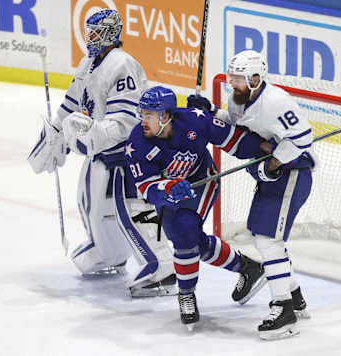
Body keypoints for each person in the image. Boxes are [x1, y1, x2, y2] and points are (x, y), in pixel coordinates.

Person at [27, 9, 176, 298]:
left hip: (125, 156)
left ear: (110, 34)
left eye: (95, 33)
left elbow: (123, 122)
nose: (90, 38)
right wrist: (56, 138)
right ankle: (108, 253)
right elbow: (71, 106)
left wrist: (89, 132)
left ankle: (164, 268)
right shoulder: (88, 63)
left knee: (131, 211)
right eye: (89, 33)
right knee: (90, 205)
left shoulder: (123, 65)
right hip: (100, 155)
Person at [187, 49, 314, 340]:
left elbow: (303, 138)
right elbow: (236, 126)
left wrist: (273, 162)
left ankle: (283, 310)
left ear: (256, 79)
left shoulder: (276, 102)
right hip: (274, 176)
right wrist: (209, 113)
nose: (233, 84)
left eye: (239, 79)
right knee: (261, 235)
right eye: (231, 78)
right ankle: (293, 296)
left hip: (293, 173)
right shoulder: (237, 99)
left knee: (269, 240)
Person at [125, 85, 268, 330]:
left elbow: (235, 141)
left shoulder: (194, 120)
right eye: (143, 113)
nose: (143, 120)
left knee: (184, 232)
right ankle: (248, 267)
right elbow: (147, 188)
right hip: (169, 191)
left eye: (149, 114)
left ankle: (186, 294)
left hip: (203, 181)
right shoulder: (137, 143)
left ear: (166, 115)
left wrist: (268, 149)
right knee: (188, 240)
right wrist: (168, 189)